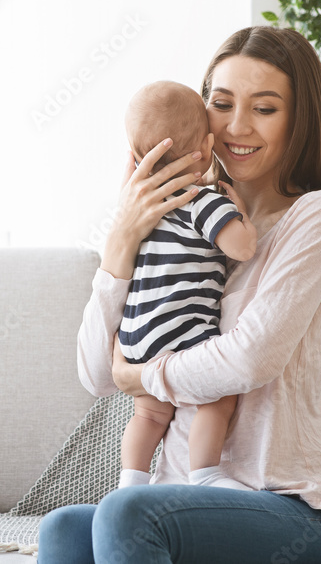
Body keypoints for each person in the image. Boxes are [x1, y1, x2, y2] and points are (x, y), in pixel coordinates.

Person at [39, 26, 321, 564]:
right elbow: (97, 376)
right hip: (178, 502)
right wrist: (121, 242)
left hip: (284, 507)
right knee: (63, 530)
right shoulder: (175, 225)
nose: (238, 126)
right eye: (222, 104)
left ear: (298, 120)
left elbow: (249, 359)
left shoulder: (317, 214)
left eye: (264, 108)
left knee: (125, 511)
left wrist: (142, 377)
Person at [117, 81, 257, 493]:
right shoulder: (202, 199)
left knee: (147, 415)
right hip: (182, 330)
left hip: (137, 335)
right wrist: (240, 212)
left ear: (137, 158)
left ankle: (131, 482)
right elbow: (243, 248)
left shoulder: (140, 208)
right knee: (217, 399)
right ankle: (205, 472)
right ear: (208, 145)